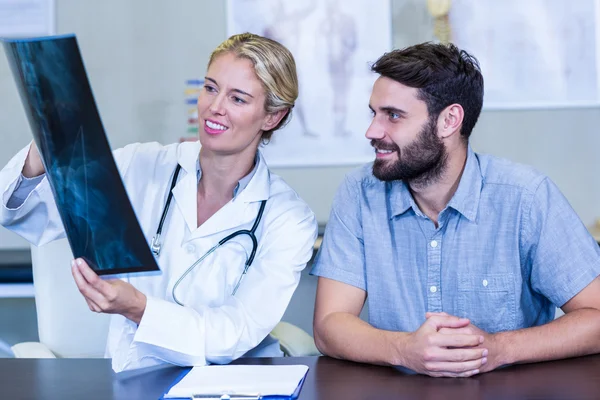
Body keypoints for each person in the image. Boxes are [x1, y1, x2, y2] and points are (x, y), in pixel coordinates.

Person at [0, 33, 317, 372]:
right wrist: (48, 135)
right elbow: (31, 212)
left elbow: (236, 331)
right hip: (135, 377)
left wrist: (138, 308)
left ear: (273, 117)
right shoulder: (142, 165)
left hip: (233, 383)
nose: (215, 107)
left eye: (237, 99)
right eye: (210, 88)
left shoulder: (289, 218)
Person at [311, 42, 600, 378]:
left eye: (392, 115)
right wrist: (404, 350)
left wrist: (497, 349)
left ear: (449, 120)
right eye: (373, 113)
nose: (372, 131)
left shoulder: (526, 197)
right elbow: (329, 325)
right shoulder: (360, 193)